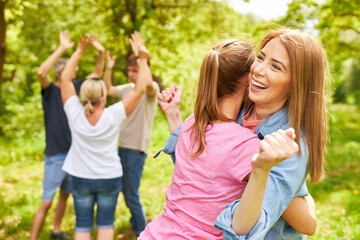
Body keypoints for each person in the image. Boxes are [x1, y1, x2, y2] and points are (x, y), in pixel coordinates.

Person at [157, 28, 329, 239]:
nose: (257, 69)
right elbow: (200, 167)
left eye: (276, 66)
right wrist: (174, 118)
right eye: (261, 57)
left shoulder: (288, 142)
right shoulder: (237, 109)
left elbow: (249, 227)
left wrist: (281, 183)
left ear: (298, 84)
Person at [60, 32, 149, 240]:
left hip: (80, 176)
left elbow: (65, 78)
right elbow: (141, 89)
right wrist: (143, 59)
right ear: (103, 96)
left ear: (82, 95)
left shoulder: (74, 111)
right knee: (105, 225)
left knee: (82, 226)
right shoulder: (113, 114)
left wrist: (80, 50)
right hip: (109, 177)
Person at [31, 30, 105, 240]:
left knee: (65, 195)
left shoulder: (76, 88)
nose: (76, 71)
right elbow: (40, 73)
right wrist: (63, 48)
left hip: (73, 154)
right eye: (71, 69)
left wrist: (100, 52)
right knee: (47, 201)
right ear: (60, 74)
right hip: (55, 155)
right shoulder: (50, 91)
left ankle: (56, 230)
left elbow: (97, 73)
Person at [103, 31, 160, 238]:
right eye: (129, 70)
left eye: (135, 70)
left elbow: (146, 85)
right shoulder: (127, 89)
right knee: (122, 191)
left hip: (135, 150)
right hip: (121, 147)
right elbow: (108, 89)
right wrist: (109, 68)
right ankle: (136, 223)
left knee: (131, 195)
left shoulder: (150, 89)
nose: (131, 74)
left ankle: (142, 232)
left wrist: (142, 58)